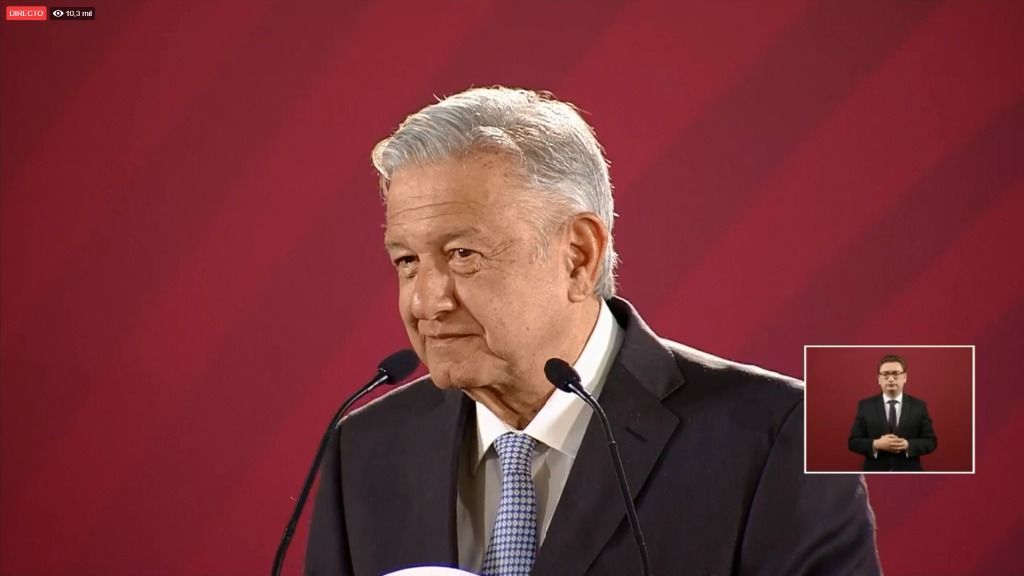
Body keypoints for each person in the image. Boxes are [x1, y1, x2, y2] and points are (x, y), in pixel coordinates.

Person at [306, 87, 880, 575]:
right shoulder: (364, 449)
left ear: (578, 256)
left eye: (463, 254)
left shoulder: (780, 438)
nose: (426, 301)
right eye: (407, 261)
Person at [849, 354, 937, 472]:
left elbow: (931, 441)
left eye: (896, 374)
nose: (891, 379)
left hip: (910, 473)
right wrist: (876, 444)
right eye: (885, 374)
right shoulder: (865, 406)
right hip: (875, 473)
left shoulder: (919, 406)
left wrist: (907, 445)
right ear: (879, 378)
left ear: (904, 377)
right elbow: (853, 442)